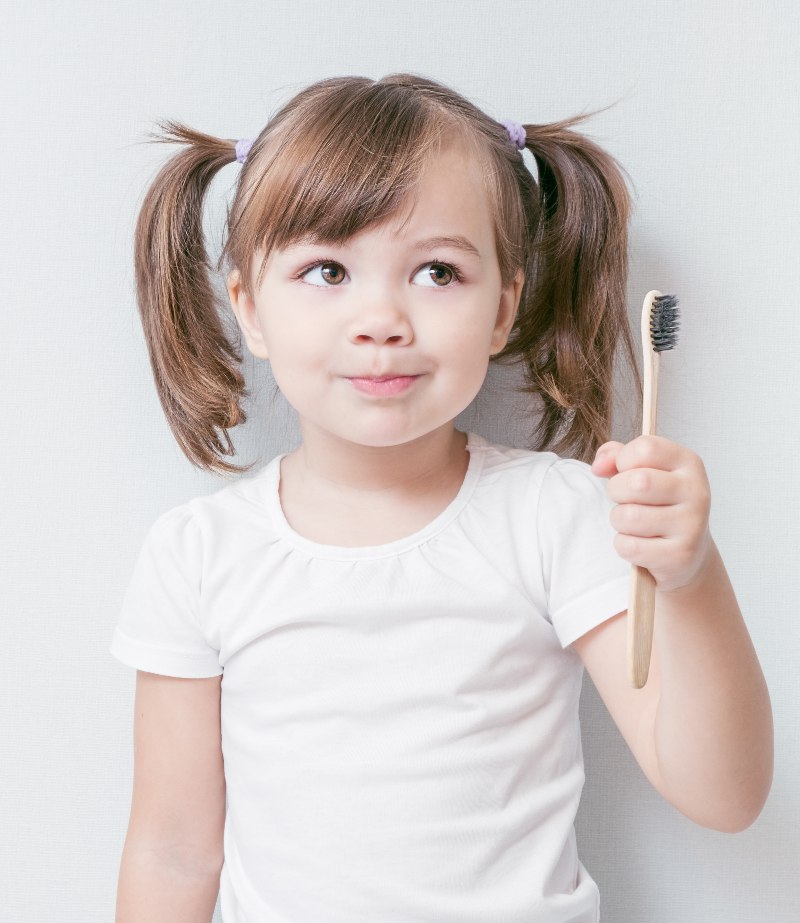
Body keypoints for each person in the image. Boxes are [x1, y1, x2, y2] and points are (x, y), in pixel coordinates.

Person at [109, 73, 773, 923]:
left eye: (436, 270)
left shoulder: (554, 517)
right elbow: (171, 851)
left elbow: (724, 794)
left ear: (503, 311)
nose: (381, 316)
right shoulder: (196, 553)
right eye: (325, 269)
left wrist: (692, 576)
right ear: (250, 311)